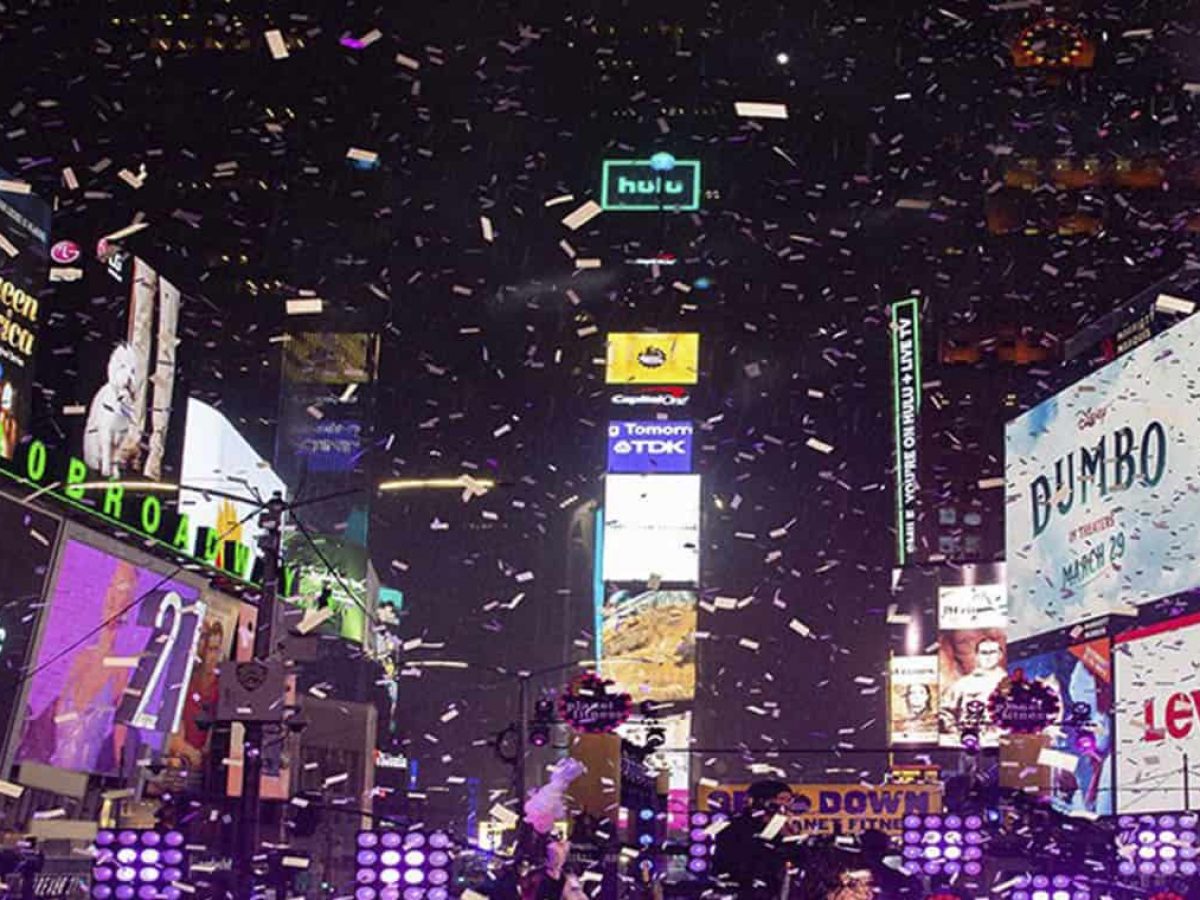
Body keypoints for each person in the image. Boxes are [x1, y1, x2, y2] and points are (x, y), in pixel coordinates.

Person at [711, 780, 796, 898]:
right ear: (761, 801)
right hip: (743, 889)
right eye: (781, 799)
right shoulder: (736, 826)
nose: (785, 805)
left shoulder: (783, 827)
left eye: (789, 800)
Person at [939, 637, 1005, 743]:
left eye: (992, 652)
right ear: (977, 656)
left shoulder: (1011, 684)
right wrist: (954, 731)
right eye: (984, 653)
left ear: (1000, 655)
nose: (988, 657)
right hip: (967, 740)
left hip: (999, 743)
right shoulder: (962, 684)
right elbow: (945, 711)